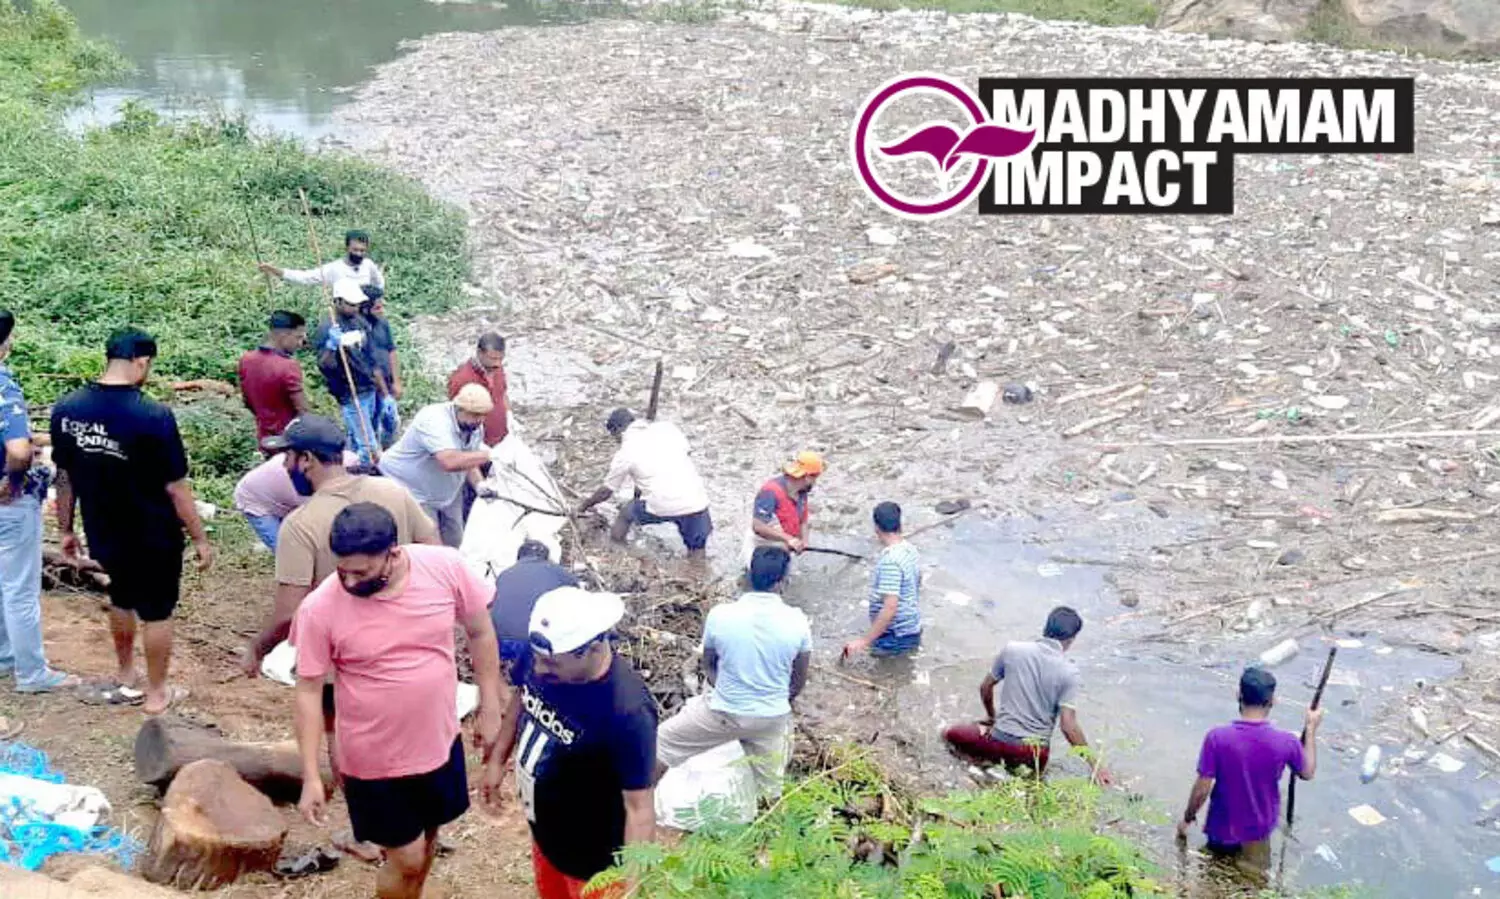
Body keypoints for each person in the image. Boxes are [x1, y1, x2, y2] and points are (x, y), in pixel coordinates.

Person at [293, 503, 503, 899]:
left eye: (362, 571)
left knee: (427, 840)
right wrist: (309, 775)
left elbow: (480, 631)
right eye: (344, 570)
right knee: (404, 857)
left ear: (393, 551)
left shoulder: (444, 568)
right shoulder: (321, 608)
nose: (351, 582)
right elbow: (307, 691)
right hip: (374, 760)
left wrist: (490, 705)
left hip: (439, 742)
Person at [50, 327, 214, 715]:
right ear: (142, 362)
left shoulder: (68, 408)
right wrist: (200, 538)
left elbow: (64, 476)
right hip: (153, 531)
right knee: (157, 609)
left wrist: (65, 528)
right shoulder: (153, 414)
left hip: (102, 526)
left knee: (121, 597)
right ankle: (157, 694)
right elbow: (176, 487)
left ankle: (125, 675)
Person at [484, 586, 656, 899]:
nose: (538, 669)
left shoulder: (627, 710)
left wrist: (633, 889)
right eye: (537, 661)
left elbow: (639, 808)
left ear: (591, 649)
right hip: (547, 839)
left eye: (552, 665)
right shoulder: (543, 652)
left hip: (595, 865)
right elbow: (520, 698)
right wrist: (497, 760)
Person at [243, 415, 439, 676]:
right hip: (410, 648)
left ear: (306, 460)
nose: (284, 466)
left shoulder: (300, 525)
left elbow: (288, 615)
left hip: (345, 663)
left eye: (287, 457)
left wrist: (257, 649)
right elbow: (435, 555)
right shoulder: (393, 491)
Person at [656, 546, 810, 800]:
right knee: (770, 789)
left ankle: (636, 807)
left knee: (663, 742)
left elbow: (709, 664)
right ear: (783, 582)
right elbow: (798, 679)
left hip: (723, 713)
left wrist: (725, 689)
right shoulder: (798, 621)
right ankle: (767, 830)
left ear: (748, 576)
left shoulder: (721, 615)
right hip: (770, 718)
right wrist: (778, 700)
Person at [1176, 667, 1322, 875]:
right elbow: (1307, 772)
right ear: (1272, 701)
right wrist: (1311, 729)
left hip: (1221, 830)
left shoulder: (1217, 738)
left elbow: (1202, 789)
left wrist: (1188, 817)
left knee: (1213, 878)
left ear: (1238, 695)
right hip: (1258, 832)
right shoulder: (1286, 742)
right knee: (1253, 885)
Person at [941, 607, 1111, 784]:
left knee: (949, 733)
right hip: (1033, 756)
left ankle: (977, 769)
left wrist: (991, 717)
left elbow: (985, 687)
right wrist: (1095, 765)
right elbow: (1068, 726)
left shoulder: (1012, 650)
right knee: (1029, 782)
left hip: (999, 743)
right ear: (1071, 639)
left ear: (1046, 628)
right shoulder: (1069, 673)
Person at [0, 310, 77, 694]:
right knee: (19, 587)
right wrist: (13, 478)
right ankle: (32, 673)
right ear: (4, 345)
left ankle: (4, 655)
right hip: (10, 504)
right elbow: (16, 451)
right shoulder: (3, 388)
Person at [575, 408, 712, 562]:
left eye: (614, 437)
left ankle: (619, 554)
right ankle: (697, 575)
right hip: (696, 501)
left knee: (625, 514)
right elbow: (682, 456)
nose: (616, 441)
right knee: (697, 550)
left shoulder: (625, 452)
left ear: (617, 431)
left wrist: (583, 507)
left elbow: (606, 491)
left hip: (663, 502)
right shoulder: (668, 429)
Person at [377, 385, 495, 549]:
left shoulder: (473, 427)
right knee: (430, 545)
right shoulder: (433, 420)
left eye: (483, 415)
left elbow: (468, 457)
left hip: (445, 491)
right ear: (459, 408)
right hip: (412, 489)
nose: (479, 420)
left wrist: (479, 484)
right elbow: (449, 461)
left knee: (455, 539)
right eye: (475, 415)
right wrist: (491, 455)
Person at [310, 279, 389, 466]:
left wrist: (384, 392)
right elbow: (324, 365)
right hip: (350, 393)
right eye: (350, 304)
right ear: (337, 302)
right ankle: (367, 473)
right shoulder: (327, 328)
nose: (355, 308)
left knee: (363, 435)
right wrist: (331, 347)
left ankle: (351, 468)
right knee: (368, 445)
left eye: (357, 304)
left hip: (369, 387)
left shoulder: (360, 321)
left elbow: (372, 357)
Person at [232, 449, 357, 552]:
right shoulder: (308, 482)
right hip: (255, 498)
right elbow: (320, 524)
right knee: (288, 553)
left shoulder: (351, 460)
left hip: (281, 493)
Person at [488, 539, 579, 680]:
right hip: (537, 649)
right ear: (547, 558)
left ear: (519, 557)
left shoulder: (505, 574)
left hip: (498, 646)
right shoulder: (562, 574)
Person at [842, 502, 922, 658]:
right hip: (911, 627)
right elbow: (918, 581)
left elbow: (890, 608)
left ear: (876, 528)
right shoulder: (910, 549)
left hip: (894, 635)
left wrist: (864, 641)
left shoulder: (890, 561)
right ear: (900, 524)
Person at [446, 333, 510, 523]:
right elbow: (458, 416)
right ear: (480, 353)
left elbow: (503, 394)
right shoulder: (463, 379)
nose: (497, 363)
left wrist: (509, 417)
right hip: (476, 444)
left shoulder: (497, 370)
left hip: (498, 440)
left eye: (500, 358)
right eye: (493, 358)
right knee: (472, 490)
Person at [237, 310, 309, 449]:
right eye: (298, 337)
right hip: (290, 440)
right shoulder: (288, 366)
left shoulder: (246, 360)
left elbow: (247, 401)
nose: (300, 343)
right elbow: (303, 411)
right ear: (283, 335)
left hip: (265, 438)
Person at [750, 451, 824, 558]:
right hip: (763, 549)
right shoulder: (770, 491)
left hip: (785, 548)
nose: (815, 482)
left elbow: (803, 520)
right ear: (807, 477)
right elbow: (758, 526)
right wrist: (789, 539)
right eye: (815, 478)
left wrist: (804, 541)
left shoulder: (802, 492)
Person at [259, 229, 385, 290]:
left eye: (362, 250)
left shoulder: (368, 265)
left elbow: (379, 283)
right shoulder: (334, 268)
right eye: (355, 250)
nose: (358, 254)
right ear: (347, 248)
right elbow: (305, 278)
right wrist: (275, 270)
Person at [361, 286, 401, 449]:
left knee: (392, 424)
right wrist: (385, 395)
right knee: (372, 426)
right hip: (371, 388)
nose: (381, 310)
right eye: (377, 307)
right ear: (365, 309)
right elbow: (372, 366)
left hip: (387, 383)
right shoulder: (361, 330)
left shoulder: (382, 323)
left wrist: (397, 382)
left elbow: (391, 351)